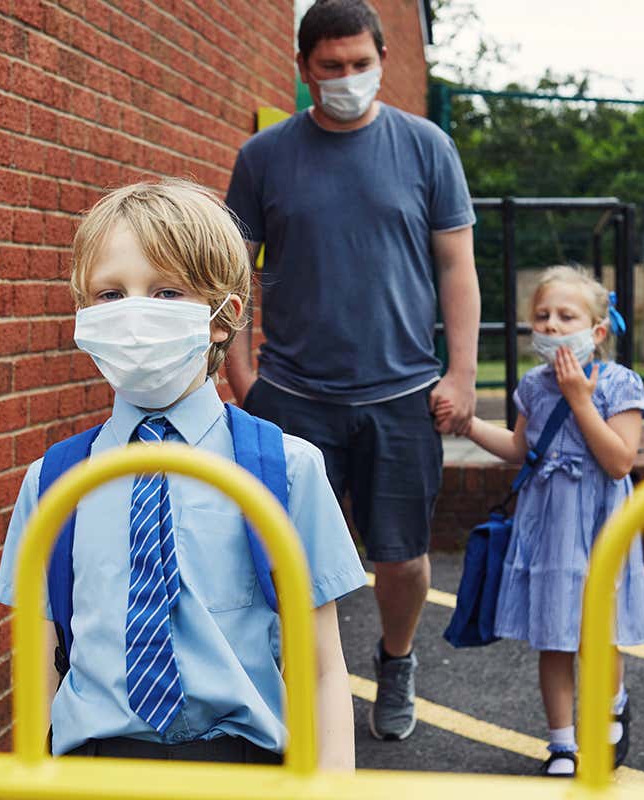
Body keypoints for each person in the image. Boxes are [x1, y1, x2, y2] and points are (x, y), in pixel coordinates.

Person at [0, 179, 366, 769]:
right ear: (84, 315)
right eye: (110, 295)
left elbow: (321, 668)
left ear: (224, 318)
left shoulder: (287, 469)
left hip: (243, 767)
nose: (135, 314)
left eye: (167, 292)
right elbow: (36, 665)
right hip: (92, 768)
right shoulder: (53, 480)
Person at [224, 0, 481, 741]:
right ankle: (288, 683)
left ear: (382, 62)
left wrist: (459, 376)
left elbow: (457, 267)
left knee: (400, 558)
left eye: (359, 64)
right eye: (330, 68)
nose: (347, 79)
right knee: (281, 555)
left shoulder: (427, 147)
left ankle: (395, 660)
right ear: (304, 70)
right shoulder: (264, 157)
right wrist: (243, 378)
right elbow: (234, 271)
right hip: (295, 395)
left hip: (403, 395)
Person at [437, 266, 644, 777]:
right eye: (542, 316)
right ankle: (561, 743)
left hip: (600, 521)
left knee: (597, 631)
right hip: (549, 525)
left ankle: (610, 706)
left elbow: (620, 461)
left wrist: (580, 400)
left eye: (566, 316)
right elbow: (519, 448)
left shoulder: (618, 383)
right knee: (554, 635)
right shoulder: (533, 386)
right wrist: (467, 425)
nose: (552, 325)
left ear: (597, 331)